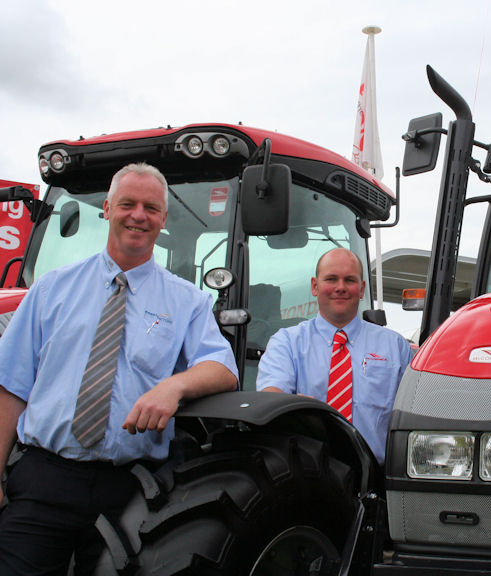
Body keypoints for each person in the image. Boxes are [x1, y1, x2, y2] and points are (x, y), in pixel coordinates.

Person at [0, 163, 238, 574]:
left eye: (151, 207)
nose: (139, 215)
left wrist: (173, 387)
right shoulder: (51, 288)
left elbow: (223, 369)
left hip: (130, 491)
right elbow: (10, 386)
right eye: (128, 204)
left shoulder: (188, 301)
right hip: (44, 481)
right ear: (107, 208)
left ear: (163, 219)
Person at [257, 247, 412, 464]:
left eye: (349, 280)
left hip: (377, 476)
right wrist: (289, 404)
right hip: (307, 474)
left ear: (362, 289)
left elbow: (411, 411)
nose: (340, 288)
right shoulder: (286, 343)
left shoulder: (395, 346)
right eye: (331, 279)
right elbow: (271, 396)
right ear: (314, 286)